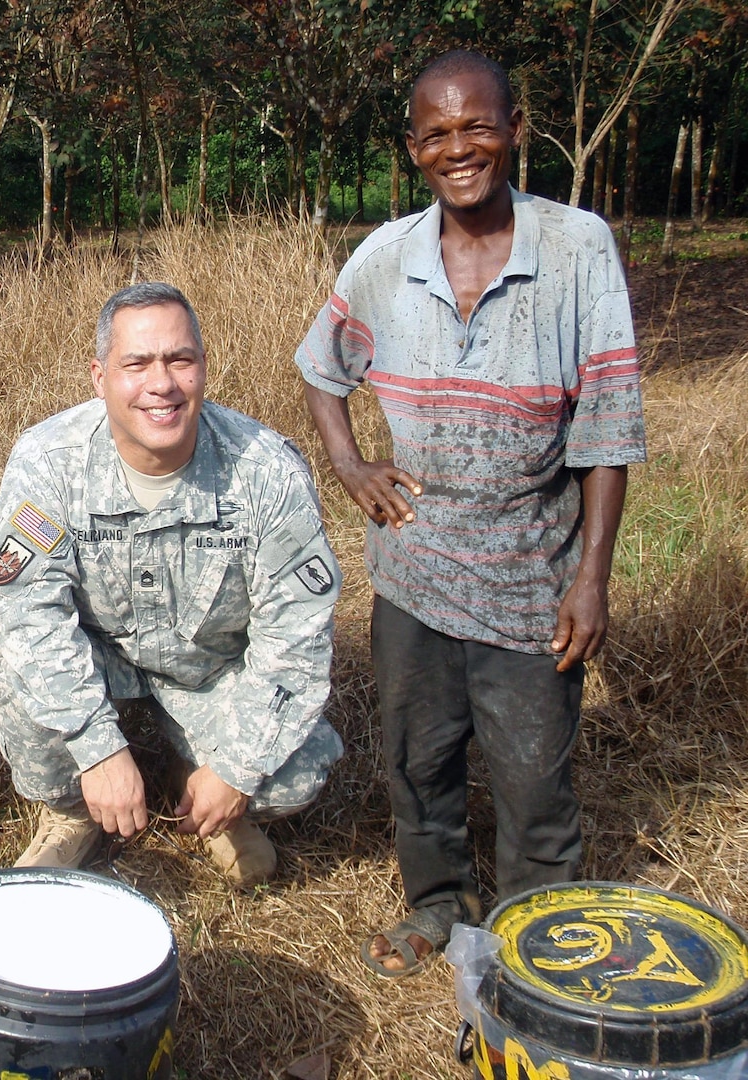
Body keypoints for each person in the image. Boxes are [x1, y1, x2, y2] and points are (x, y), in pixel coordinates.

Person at [295, 50, 645, 976]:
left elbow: (607, 428)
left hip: (534, 580)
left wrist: (592, 578)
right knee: (419, 764)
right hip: (412, 575)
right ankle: (440, 905)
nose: (462, 147)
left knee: (534, 778)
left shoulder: (576, 248)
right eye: (439, 132)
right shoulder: (386, 256)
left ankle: (539, 945)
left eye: (479, 125)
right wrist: (349, 465)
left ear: (516, 130)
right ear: (414, 149)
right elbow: (320, 369)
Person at [0, 282, 343, 889]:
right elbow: (28, 614)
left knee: (292, 773)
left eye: (180, 360)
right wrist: (95, 747)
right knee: (28, 701)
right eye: (137, 363)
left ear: (202, 367)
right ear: (99, 376)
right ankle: (71, 814)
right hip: (102, 662)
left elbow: (297, 639)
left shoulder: (266, 471)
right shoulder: (49, 460)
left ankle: (195, 775)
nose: (162, 383)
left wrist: (236, 768)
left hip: (210, 671)